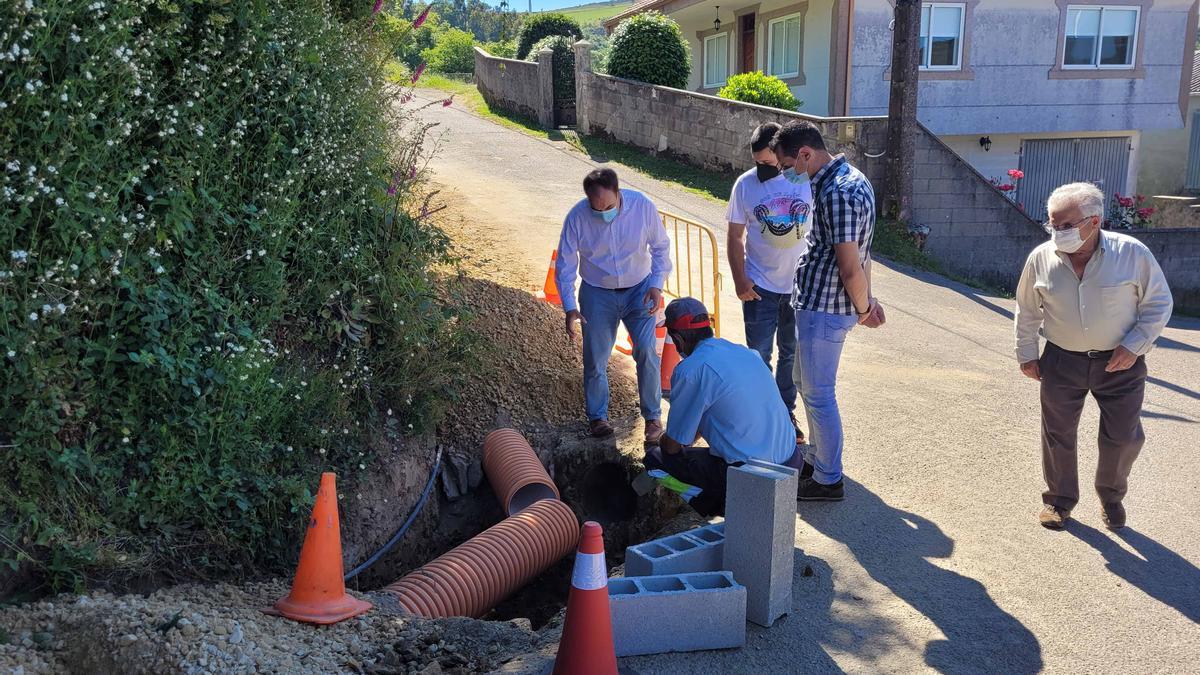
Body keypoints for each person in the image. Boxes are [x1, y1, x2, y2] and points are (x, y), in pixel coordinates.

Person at [1014, 182, 1172, 531]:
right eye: (1053, 224)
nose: (1058, 232)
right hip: (1061, 360)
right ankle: (1058, 500)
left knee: (1124, 436)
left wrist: (1135, 345)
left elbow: (1159, 303)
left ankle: (1111, 497)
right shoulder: (1041, 257)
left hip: (1121, 362)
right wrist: (1027, 352)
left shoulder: (1132, 254)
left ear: (1094, 221)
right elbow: (1027, 310)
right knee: (1057, 433)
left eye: (1067, 225)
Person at [772, 120, 885, 502]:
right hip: (818, 303)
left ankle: (827, 478)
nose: (787, 172)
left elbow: (850, 264)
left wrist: (866, 307)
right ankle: (819, 459)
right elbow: (862, 252)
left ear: (806, 154)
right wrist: (866, 301)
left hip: (825, 308)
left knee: (819, 394)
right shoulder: (846, 180)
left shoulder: (838, 192)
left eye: (788, 164)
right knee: (804, 383)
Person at [643, 297, 803, 517]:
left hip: (753, 478)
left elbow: (673, 446)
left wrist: (660, 438)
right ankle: (741, 501)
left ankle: (727, 506)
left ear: (678, 339)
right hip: (792, 462)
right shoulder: (745, 353)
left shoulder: (691, 370)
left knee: (655, 461)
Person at [557, 168, 673, 443]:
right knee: (596, 357)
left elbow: (661, 247)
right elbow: (565, 264)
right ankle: (597, 417)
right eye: (597, 209)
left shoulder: (642, 207)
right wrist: (570, 306)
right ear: (588, 201)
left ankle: (653, 419)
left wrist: (656, 284)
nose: (604, 214)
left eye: (609, 206)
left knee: (646, 351)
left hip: (640, 290)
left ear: (618, 192)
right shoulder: (577, 217)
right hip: (597, 293)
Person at [726, 122, 814, 443]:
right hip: (759, 288)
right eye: (757, 162)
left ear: (781, 155)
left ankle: (784, 412)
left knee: (790, 355)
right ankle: (762, 416)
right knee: (759, 356)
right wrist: (740, 280)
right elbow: (735, 237)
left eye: (767, 162)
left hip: (797, 290)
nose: (761, 168)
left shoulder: (804, 182)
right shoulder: (745, 186)